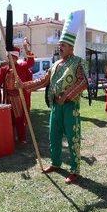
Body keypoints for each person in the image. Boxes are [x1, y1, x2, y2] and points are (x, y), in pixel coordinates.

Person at [18, 10, 88, 184]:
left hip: (70, 107)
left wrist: (67, 96)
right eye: (60, 44)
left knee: (73, 137)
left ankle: (74, 170)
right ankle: (56, 163)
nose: (60, 47)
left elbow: (83, 83)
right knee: (53, 135)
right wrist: (24, 85)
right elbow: (43, 81)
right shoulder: (56, 63)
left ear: (71, 47)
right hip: (55, 106)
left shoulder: (78, 62)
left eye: (63, 44)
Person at [0, 43, 35, 143]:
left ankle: (21, 138)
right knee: (9, 119)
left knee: (19, 118)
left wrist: (27, 49)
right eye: (9, 57)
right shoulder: (4, 69)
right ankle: (10, 137)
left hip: (19, 98)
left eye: (13, 57)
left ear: (16, 58)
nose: (10, 59)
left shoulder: (22, 66)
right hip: (8, 97)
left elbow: (31, 62)